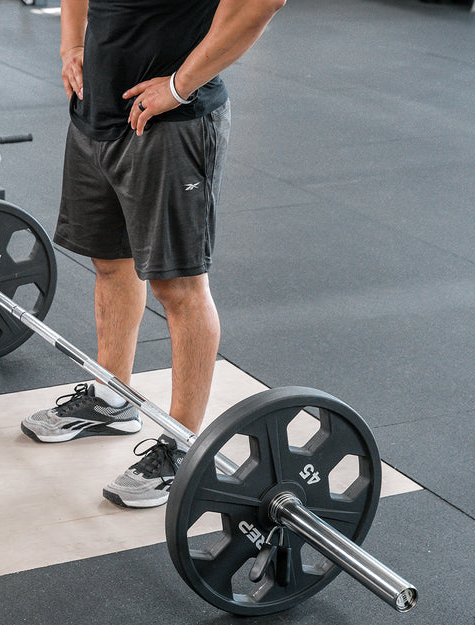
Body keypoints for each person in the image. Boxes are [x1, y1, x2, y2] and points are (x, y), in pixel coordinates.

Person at [21, 0, 286, 508]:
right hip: (95, 113)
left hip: (173, 121)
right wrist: (71, 44)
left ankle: (183, 444)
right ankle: (110, 398)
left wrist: (180, 85)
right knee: (109, 260)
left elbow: (260, 4)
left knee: (179, 287)